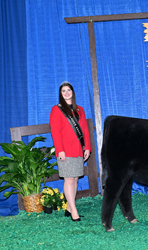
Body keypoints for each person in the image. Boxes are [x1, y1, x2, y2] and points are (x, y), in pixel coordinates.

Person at [50, 81, 91, 221]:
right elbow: (55, 132)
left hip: (79, 149)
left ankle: (68, 208)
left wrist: (87, 147)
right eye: (63, 91)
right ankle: (74, 211)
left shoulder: (80, 109)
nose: (66, 93)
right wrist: (59, 150)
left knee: (75, 179)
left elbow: (84, 130)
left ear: (72, 92)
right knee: (69, 179)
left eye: (68, 90)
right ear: (60, 94)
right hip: (65, 151)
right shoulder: (57, 109)